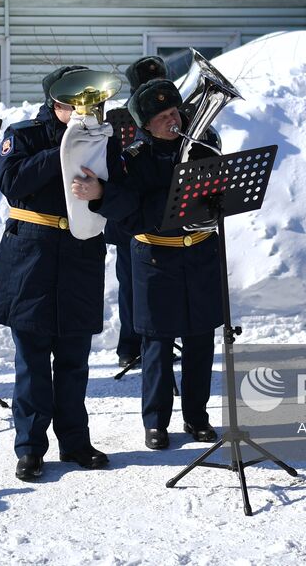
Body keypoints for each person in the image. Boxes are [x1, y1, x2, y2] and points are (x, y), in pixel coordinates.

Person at [0, 65, 120, 481]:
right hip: (32, 254)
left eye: (92, 103)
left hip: (80, 253)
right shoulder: (22, 135)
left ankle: (76, 442)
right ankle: (30, 447)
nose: (85, 110)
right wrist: (65, 149)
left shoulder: (103, 139)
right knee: (33, 360)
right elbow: (13, 182)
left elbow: (122, 191)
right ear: (54, 103)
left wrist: (103, 191)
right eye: (74, 104)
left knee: (75, 360)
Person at [80, 77, 221, 450]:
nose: (173, 120)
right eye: (163, 117)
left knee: (200, 337)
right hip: (157, 255)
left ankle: (197, 416)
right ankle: (156, 422)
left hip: (200, 251)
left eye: (175, 112)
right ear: (145, 124)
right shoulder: (134, 159)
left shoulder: (202, 144)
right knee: (156, 342)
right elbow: (130, 215)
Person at [107, 55, 168, 368]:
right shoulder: (119, 118)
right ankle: (128, 346)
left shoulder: (175, 115)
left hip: (164, 215)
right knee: (131, 283)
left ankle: (162, 340)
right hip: (130, 216)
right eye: (146, 84)